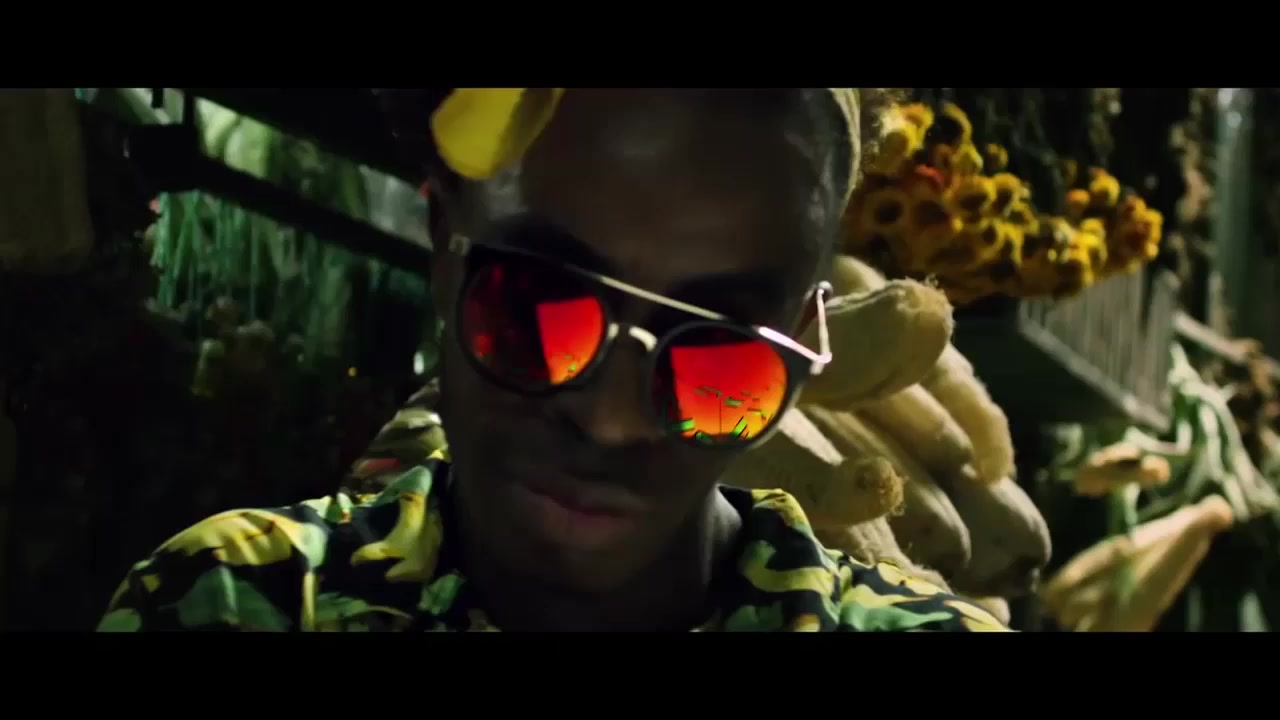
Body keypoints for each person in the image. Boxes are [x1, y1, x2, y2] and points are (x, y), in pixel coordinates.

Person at [98, 88, 1010, 632]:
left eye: (718, 358)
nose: (610, 419)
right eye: (536, 309)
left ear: (809, 353)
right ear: (445, 242)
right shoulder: (238, 602)